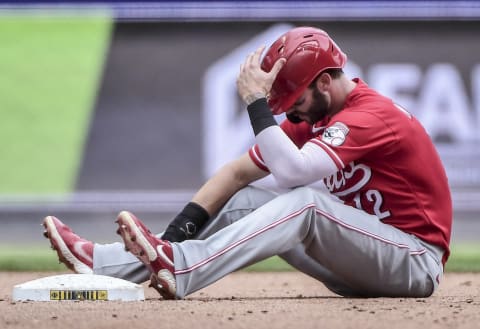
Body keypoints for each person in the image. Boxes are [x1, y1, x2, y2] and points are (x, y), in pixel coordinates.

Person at [43, 26, 452, 300]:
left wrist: (256, 104)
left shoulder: (371, 115)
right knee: (247, 199)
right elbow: (236, 173)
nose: (291, 114)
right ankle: (108, 267)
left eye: (296, 101)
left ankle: (183, 271)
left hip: (414, 262)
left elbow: (294, 174)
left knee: (305, 203)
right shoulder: (316, 115)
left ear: (325, 81)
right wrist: (174, 235)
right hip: (369, 257)